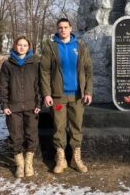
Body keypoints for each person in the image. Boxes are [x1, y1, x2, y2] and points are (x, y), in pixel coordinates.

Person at [40, 18, 93, 174]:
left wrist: (88, 91)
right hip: (58, 96)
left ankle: (76, 158)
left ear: (71, 28)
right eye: (60, 27)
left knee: (76, 126)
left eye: (65, 27)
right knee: (59, 126)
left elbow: (89, 70)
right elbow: (44, 71)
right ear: (57, 29)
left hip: (77, 95)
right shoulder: (51, 46)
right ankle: (60, 158)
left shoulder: (81, 46)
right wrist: (47, 94)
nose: (63, 30)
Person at [0, 36, 41, 179]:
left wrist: (39, 103)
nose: (22, 47)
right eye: (19, 45)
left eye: (25, 45)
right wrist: (4, 104)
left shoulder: (35, 63)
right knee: (16, 136)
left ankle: (28, 163)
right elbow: (2, 86)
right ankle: (19, 164)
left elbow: (39, 85)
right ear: (15, 46)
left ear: (29, 47)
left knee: (31, 135)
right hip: (13, 107)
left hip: (31, 106)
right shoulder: (7, 64)